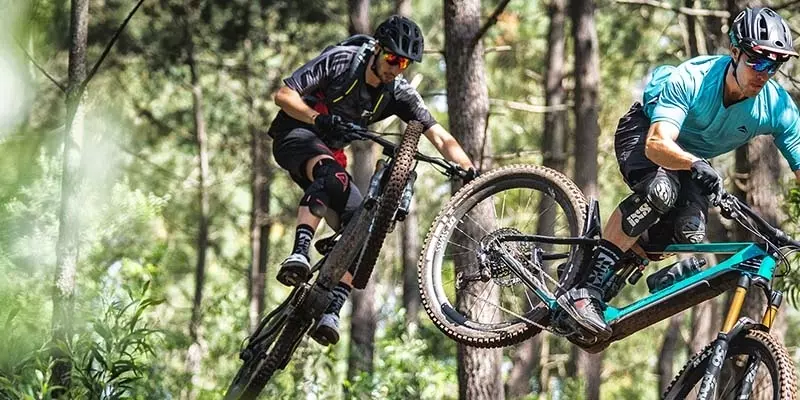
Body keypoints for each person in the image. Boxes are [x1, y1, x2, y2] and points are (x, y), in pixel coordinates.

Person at [557, 7, 800, 339]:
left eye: (774, 65)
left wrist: (695, 164)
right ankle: (586, 288)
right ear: (735, 52)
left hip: (691, 159)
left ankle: (613, 262)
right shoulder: (694, 78)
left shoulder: (777, 107)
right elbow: (657, 144)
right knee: (660, 192)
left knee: (689, 230)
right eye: (757, 61)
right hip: (646, 133)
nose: (764, 72)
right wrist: (695, 164)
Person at [267, 15, 476, 346]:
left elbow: (438, 135)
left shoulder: (397, 93)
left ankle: (331, 310)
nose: (396, 68)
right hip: (296, 133)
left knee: (363, 229)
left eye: (403, 63)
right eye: (392, 58)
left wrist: (469, 170)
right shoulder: (342, 61)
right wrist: (318, 118)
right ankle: (299, 254)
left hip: (329, 155)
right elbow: (283, 95)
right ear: (377, 49)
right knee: (331, 175)